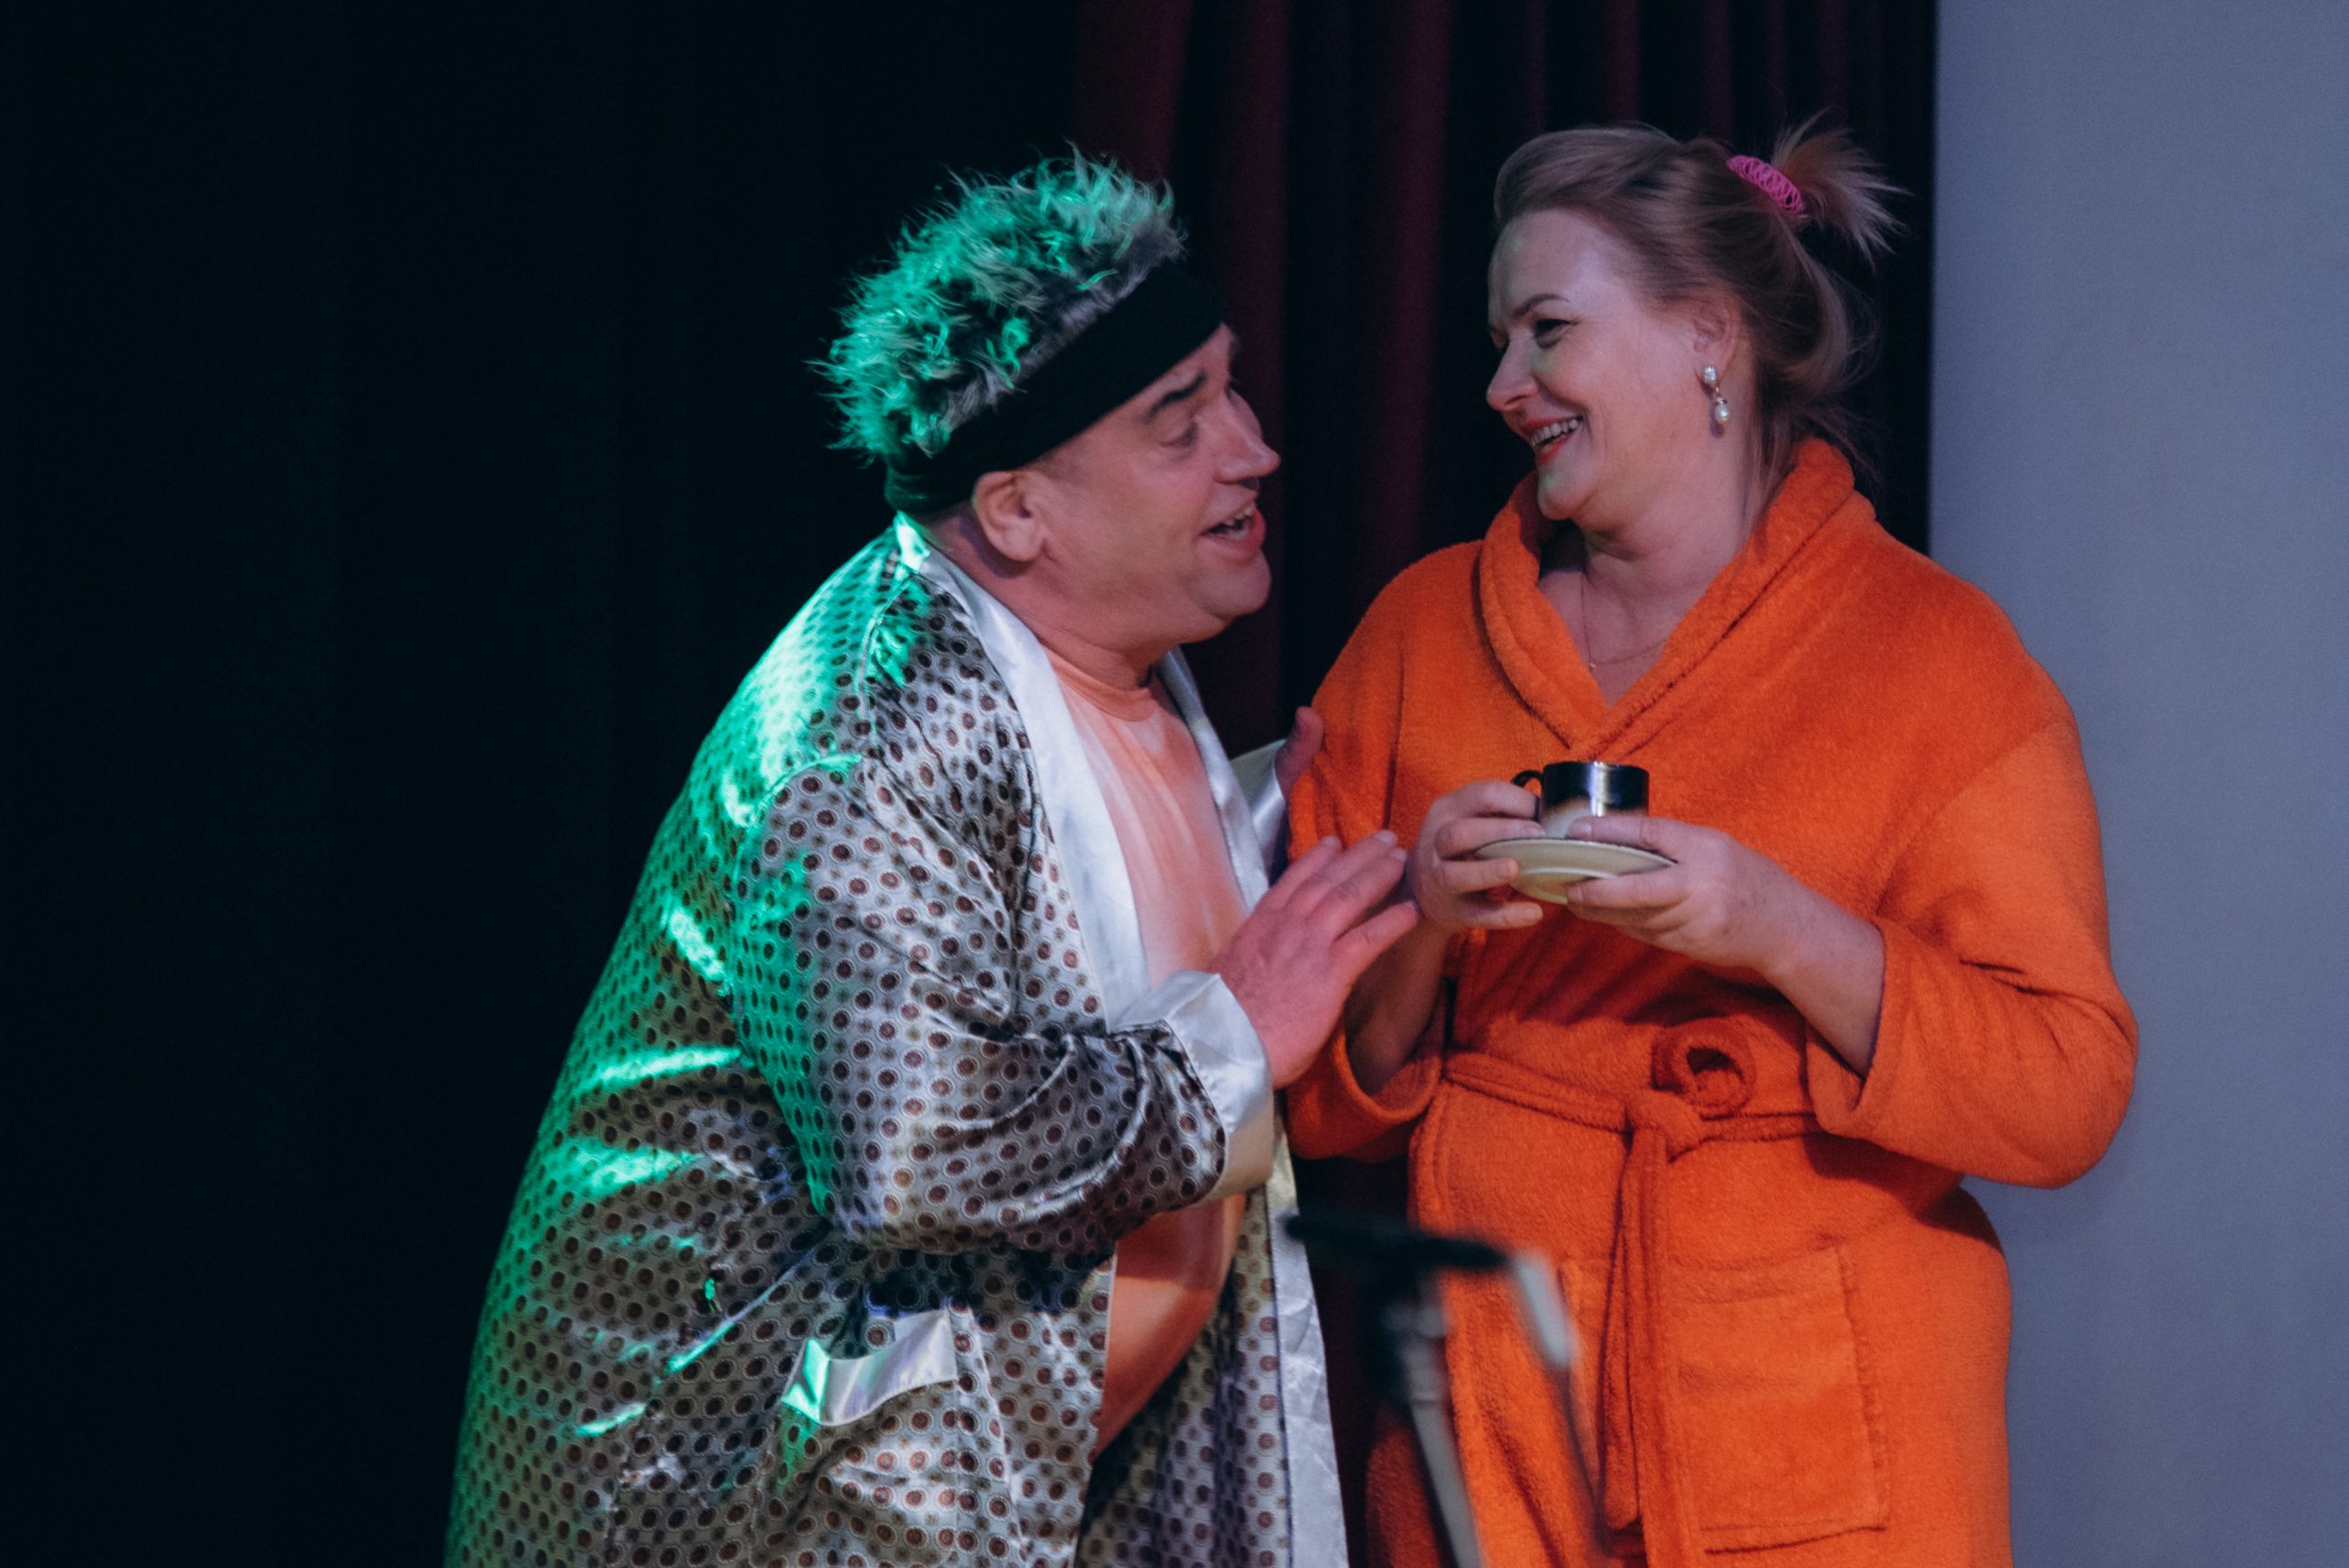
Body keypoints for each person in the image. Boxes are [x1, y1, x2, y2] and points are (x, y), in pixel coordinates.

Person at [445, 156, 1418, 1568]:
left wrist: (1330, 848)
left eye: (1231, 391)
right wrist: (1233, 1035)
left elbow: (1071, 906)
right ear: (1018, 513)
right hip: (724, 1511)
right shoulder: (866, 732)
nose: (1252, 450)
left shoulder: (1103, 653)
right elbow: (916, 1147)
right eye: (1181, 422)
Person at [1284, 124, 2137, 1567]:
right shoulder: (1420, 638)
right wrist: (1425, 916)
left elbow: (2066, 1092)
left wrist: (1779, 928)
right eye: (1498, 343)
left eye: (1548, 330)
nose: (1502, 385)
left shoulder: (1938, 659)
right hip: (1492, 1415)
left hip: (1833, 1424)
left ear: (1708, 335)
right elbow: (1306, 1101)